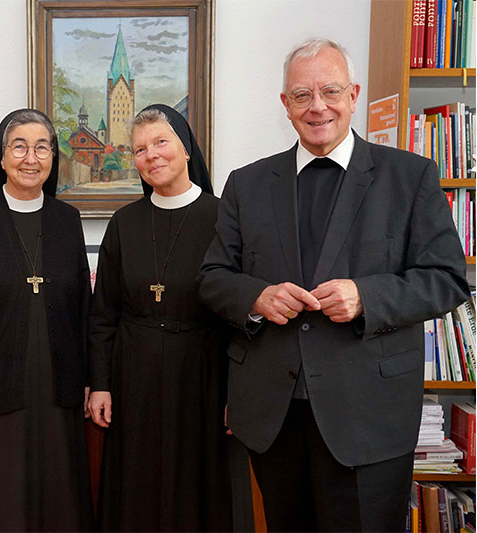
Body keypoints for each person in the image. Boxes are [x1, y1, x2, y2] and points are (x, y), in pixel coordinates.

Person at [198, 38, 470, 532]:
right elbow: (213, 278)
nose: (317, 106)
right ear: (285, 104)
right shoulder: (247, 184)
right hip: (273, 417)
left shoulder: (410, 177)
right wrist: (256, 298)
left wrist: (367, 296)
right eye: (302, 95)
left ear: (354, 94)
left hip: (369, 415)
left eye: (330, 91)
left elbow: (447, 279)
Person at [0, 109, 93, 531]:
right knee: (3, 500)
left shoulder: (67, 220)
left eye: (42, 146)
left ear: (53, 156)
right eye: (19, 146)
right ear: (2, 157)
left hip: (59, 389)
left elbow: (83, 307)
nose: (31, 157)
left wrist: (88, 378)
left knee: (60, 494)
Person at [88, 104, 233, 531]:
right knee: (136, 483)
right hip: (134, 374)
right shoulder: (124, 223)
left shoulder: (225, 218)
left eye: (160, 142)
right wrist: (100, 384)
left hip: (203, 373)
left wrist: (235, 393)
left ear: (186, 149)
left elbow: (242, 316)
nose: (150, 155)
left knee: (197, 483)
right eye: (139, 149)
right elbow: (103, 314)